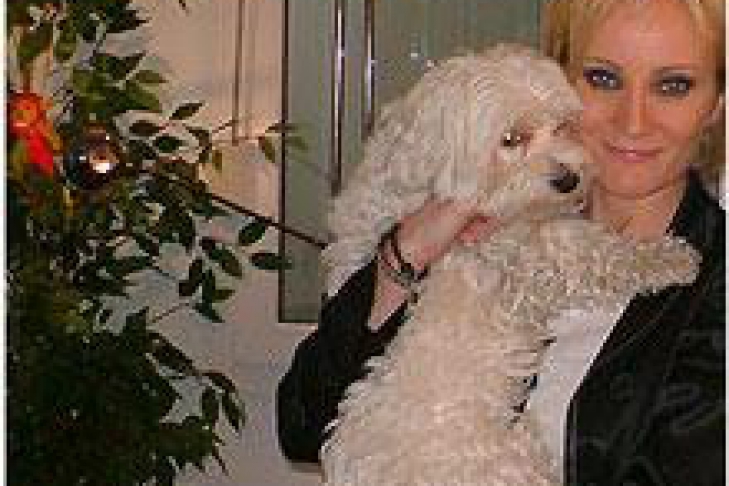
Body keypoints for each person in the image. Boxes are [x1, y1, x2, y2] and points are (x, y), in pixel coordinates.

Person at [276, 0, 726, 484]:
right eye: (603, 79)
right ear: (562, 81)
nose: (633, 120)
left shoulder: (715, 287)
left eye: (673, 86)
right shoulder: (465, 225)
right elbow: (303, 425)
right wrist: (408, 253)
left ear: (717, 105)